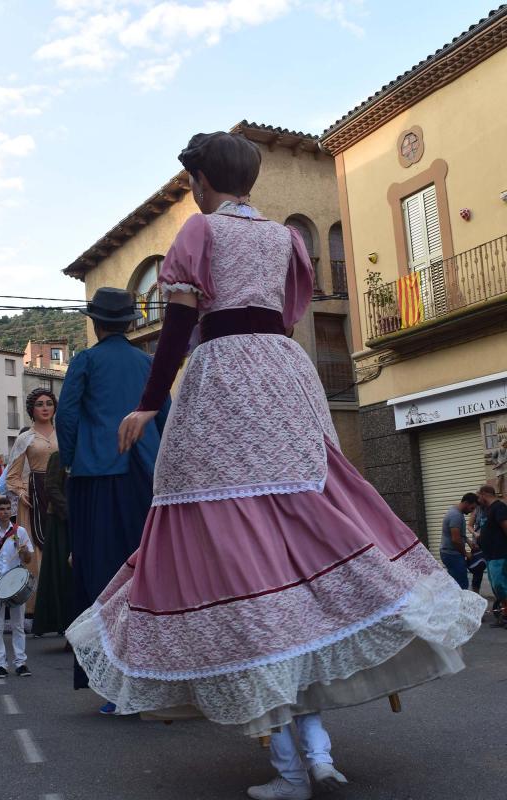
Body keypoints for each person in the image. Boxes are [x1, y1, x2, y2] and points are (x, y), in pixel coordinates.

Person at [66, 131, 485, 800]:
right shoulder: (286, 241)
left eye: (194, 179)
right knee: (299, 522)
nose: (195, 190)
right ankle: (314, 753)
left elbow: (177, 327)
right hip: (286, 374)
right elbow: (287, 313)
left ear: (202, 181)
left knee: (226, 536)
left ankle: (296, 765)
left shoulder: (200, 233)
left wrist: (148, 406)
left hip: (224, 376)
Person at [56, 286, 171, 699]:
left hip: (97, 476)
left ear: (95, 322)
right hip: (147, 476)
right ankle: (154, 674)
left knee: (100, 575)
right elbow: (167, 415)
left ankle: (110, 681)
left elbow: (66, 414)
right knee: (148, 570)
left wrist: (73, 459)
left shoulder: (85, 361)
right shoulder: (148, 362)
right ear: (128, 322)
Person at [6, 390, 58, 619]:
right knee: (36, 551)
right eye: (39, 404)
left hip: (62, 491)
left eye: (49, 403)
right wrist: (21, 491)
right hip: (35, 494)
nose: (45, 408)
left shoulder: (64, 433)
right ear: (32, 410)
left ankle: (63, 605)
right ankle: (37, 609)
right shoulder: (24, 438)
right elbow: (12, 475)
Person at [0, 497, 34, 678]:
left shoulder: (20, 531)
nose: (6, 512)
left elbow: (27, 559)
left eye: (8, 508)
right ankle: (0, 664)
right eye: (2, 509)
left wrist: (23, 550)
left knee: (18, 625)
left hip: (15, 585)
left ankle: (21, 662)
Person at [32, 450, 74, 638]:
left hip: (81, 519)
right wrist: (70, 513)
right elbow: (51, 487)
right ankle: (60, 620)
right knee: (60, 571)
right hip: (61, 521)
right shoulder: (58, 456)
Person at [476, 485, 507, 628]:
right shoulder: (488, 510)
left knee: (500, 585)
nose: (477, 498)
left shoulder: (499, 507)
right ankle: (505, 616)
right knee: (497, 587)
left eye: (478, 495)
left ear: (484, 494)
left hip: (499, 554)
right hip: (490, 555)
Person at [440, 493, 479, 590]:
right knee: (461, 585)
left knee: (455, 583)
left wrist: (468, 541)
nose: (472, 511)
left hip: (452, 553)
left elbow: (460, 535)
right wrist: (466, 553)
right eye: (472, 508)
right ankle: (460, 604)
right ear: (466, 503)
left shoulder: (457, 513)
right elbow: (456, 540)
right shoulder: (455, 515)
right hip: (452, 554)